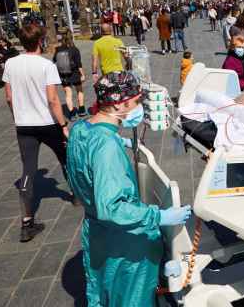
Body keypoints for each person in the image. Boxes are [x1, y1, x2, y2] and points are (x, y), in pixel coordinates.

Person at [66, 71, 192, 306]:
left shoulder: (80, 129)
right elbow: (112, 208)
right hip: (124, 243)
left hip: (98, 234)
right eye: (135, 103)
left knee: (107, 289)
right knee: (131, 297)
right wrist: (159, 215)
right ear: (119, 105)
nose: (138, 109)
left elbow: (81, 168)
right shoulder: (106, 148)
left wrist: (117, 141)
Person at [2, 24, 72, 242]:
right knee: (66, 159)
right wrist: (63, 125)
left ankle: (27, 222)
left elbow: (9, 97)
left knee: (27, 171)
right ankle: (77, 195)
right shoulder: (45, 65)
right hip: (47, 124)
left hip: (24, 126)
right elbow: (52, 100)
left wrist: (18, 116)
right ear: (40, 41)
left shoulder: (11, 63)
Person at [53, 31, 86, 120]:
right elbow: (79, 64)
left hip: (64, 74)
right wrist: (82, 74)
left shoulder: (58, 49)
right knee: (79, 90)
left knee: (68, 94)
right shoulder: (74, 49)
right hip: (75, 73)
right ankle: (82, 110)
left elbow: (54, 61)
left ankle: (71, 114)